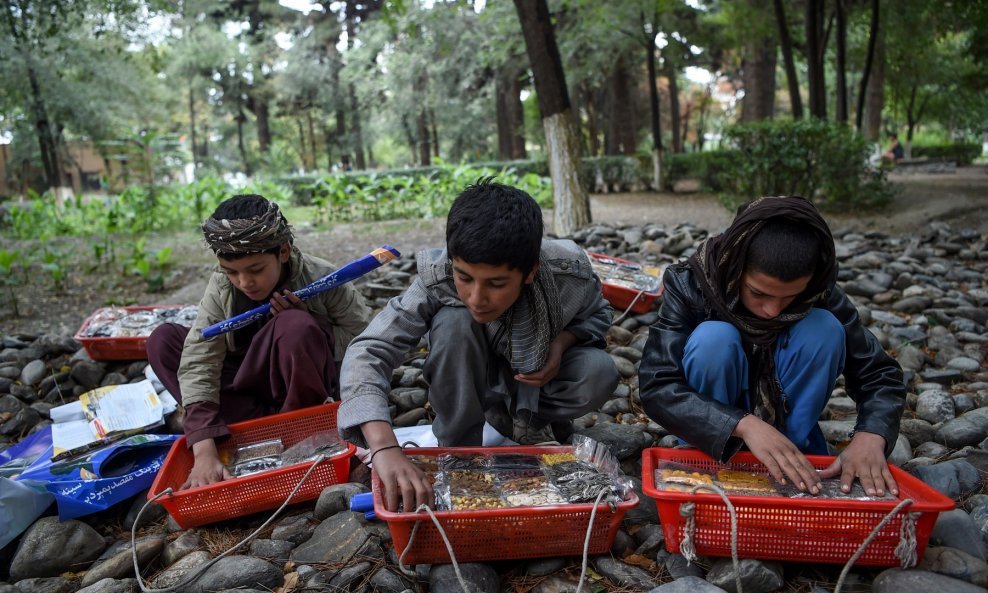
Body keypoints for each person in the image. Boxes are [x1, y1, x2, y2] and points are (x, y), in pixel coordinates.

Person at [338, 179, 619, 512]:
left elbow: (598, 312)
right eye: (465, 277)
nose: (476, 297)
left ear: (530, 271)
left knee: (598, 371)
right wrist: (384, 448)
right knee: (455, 321)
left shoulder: (569, 274)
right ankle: (460, 451)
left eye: (496, 283)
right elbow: (369, 349)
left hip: (532, 383)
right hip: (468, 372)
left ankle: (516, 425)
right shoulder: (438, 276)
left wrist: (562, 342)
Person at [639, 195, 905, 497]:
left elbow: (880, 375)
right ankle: (714, 454)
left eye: (790, 298)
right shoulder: (690, 284)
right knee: (713, 339)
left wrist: (871, 436)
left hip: (791, 434)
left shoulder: (820, 290)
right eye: (759, 293)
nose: (772, 311)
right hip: (714, 439)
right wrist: (742, 424)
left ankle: (791, 453)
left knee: (824, 329)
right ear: (737, 268)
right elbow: (657, 386)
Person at [147, 194, 372, 489]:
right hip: (243, 389)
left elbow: (364, 339)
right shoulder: (221, 287)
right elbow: (200, 357)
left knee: (297, 326)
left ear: (283, 251)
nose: (244, 282)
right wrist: (203, 448)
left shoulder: (323, 278)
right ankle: (229, 430)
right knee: (163, 340)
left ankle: (298, 433)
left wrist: (315, 325)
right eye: (232, 272)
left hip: (297, 395)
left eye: (255, 270)